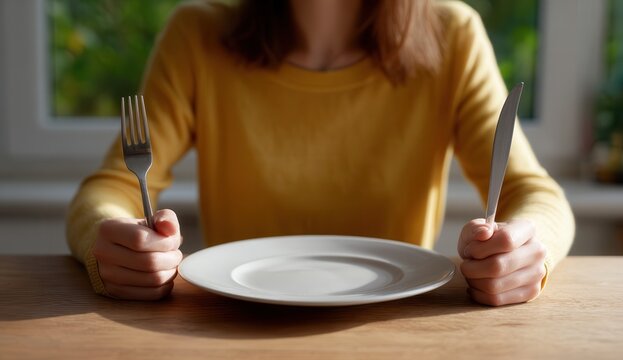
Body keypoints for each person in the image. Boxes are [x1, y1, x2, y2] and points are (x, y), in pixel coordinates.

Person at [66, 0, 575, 305]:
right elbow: (112, 189)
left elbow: (531, 192)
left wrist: (529, 250)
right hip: (235, 333)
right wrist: (112, 245)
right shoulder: (195, 38)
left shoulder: (453, 35)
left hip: (399, 336)